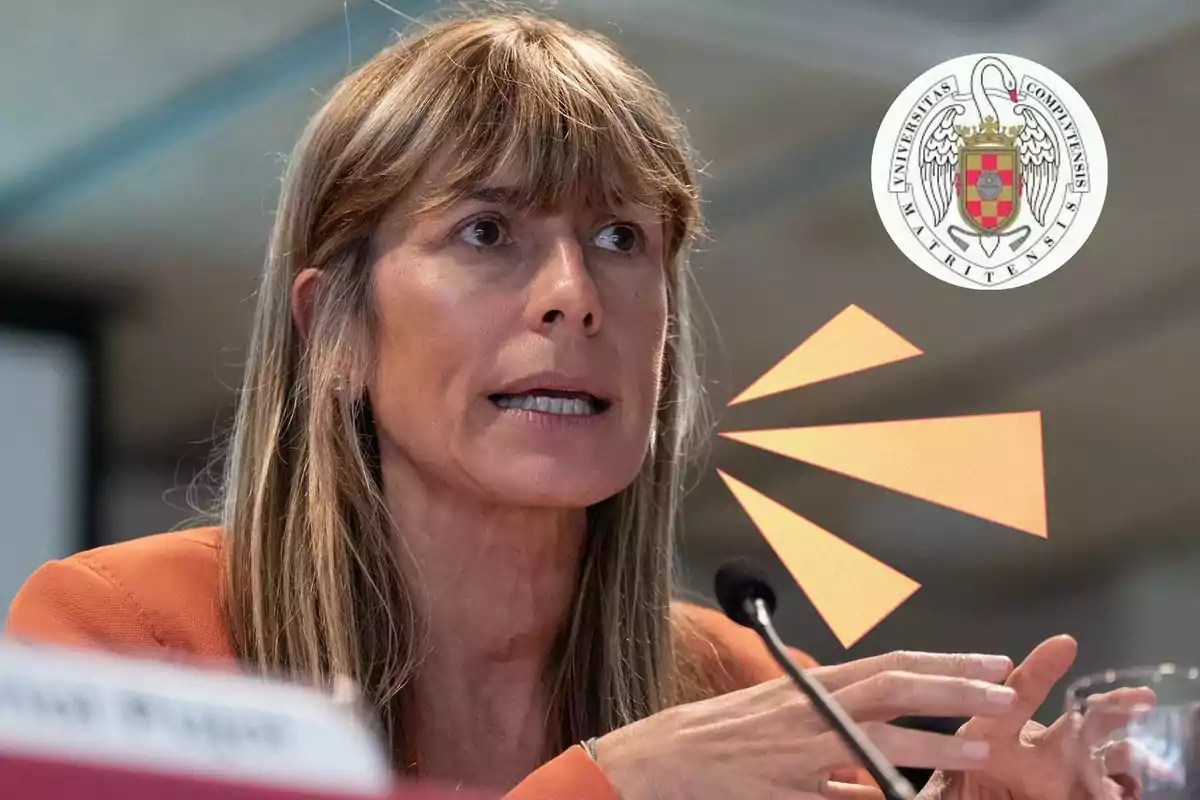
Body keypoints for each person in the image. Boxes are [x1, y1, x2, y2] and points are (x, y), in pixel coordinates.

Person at [3, 10, 1150, 799]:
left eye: (619, 238)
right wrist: (614, 782)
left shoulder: (745, 686)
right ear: (334, 330)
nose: (573, 297)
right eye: (487, 232)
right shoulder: (122, 637)